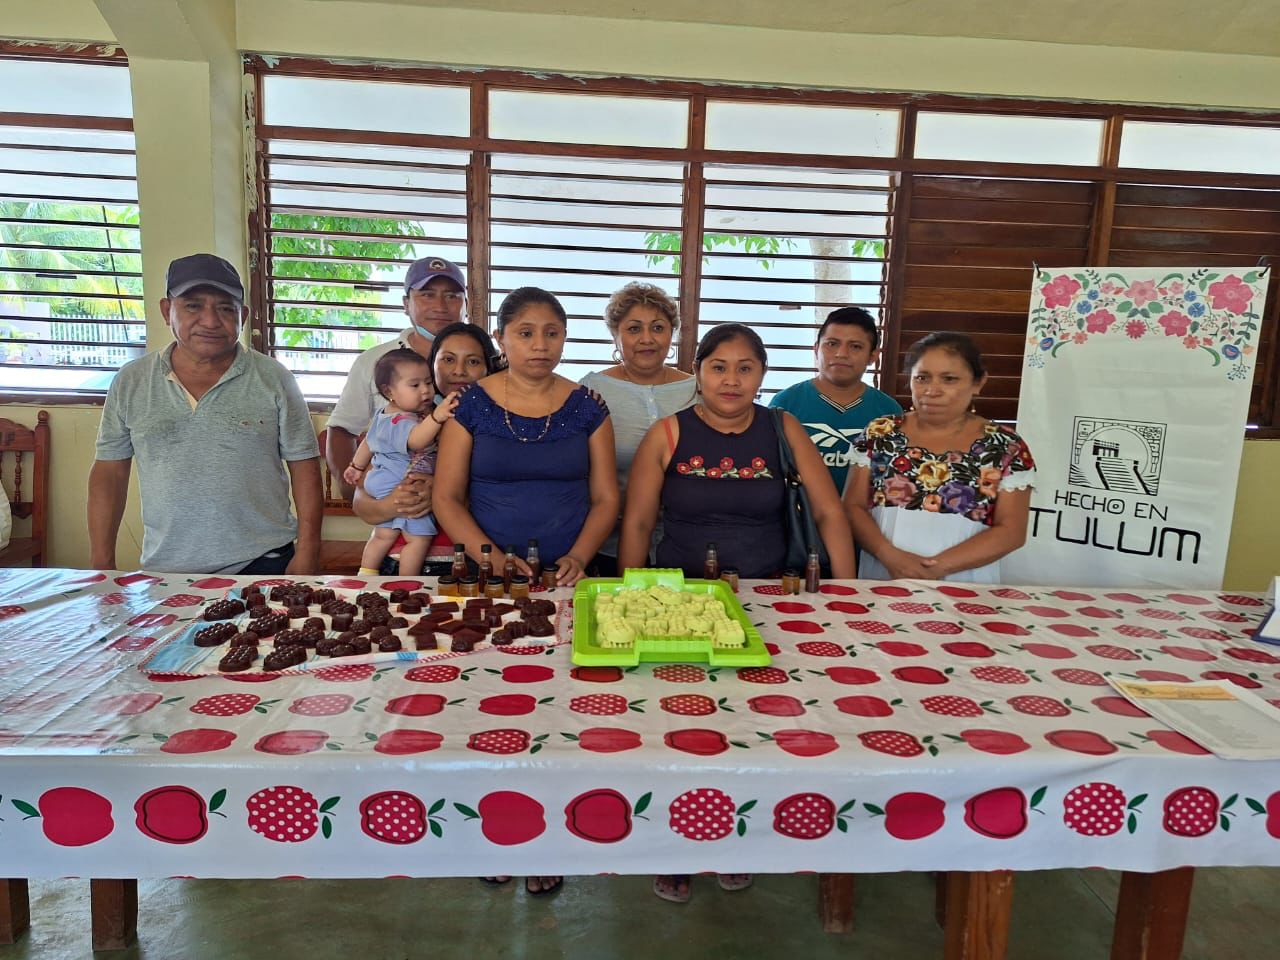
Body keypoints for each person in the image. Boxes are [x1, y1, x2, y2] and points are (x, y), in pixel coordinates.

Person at [618, 322, 854, 906]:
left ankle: (735, 839)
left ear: (762, 376)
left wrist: (848, 595)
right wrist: (628, 600)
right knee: (677, 729)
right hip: (679, 604)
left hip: (771, 603)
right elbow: (639, 522)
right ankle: (674, 847)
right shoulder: (668, 433)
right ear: (697, 371)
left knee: (756, 733)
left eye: (745, 368)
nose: (731, 379)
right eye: (718, 366)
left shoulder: (784, 428)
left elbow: (828, 513)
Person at [433, 288, 619, 898]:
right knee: (486, 712)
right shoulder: (472, 407)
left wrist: (579, 557)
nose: (540, 346)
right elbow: (446, 498)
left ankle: (551, 839)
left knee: (562, 714)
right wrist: (492, 558)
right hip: (488, 585)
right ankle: (496, 832)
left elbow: (606, 498)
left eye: (552, 333)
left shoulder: (589, 406)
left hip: (569, 582)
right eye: (525, 333)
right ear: (503, 340)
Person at [88, 254, 322, 574]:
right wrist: (101, 564)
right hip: (165, 567)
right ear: (166, 310)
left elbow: (304, 466)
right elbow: (110, 474)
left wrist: (308, 549)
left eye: (226, 308)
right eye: (193, 306)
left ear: (243, 316)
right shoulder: (132, 381)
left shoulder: (274, 378)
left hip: (264, 560)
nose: (211, 321)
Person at [843, 331, 1035, 583]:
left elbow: (1011, 530)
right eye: (922, 378)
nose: (932, 390)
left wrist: (935, 568)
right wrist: (888, 554)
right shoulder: (880, 432)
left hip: (965, 584)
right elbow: (852, 506)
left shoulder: (1006, 446)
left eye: (949, 379)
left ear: (978, 382)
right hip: (884, 574)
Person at [326, 255, 466, 501]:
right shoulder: (375, 362)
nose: (441, 306)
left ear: (466, 303)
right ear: (405, 303)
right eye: (427, 294)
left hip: (469, 506)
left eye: (452, 296)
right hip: (396, 511)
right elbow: (342, 430)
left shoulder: (482, 361)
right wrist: (356, 494)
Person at [579, 282, 695, 575]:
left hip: (685, 544)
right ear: (615, 335)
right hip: (608, 545)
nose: (647, 339)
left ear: (672, 333)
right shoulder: (592, 390)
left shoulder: (697, 389)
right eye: (634, 329)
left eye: (657, 328)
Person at [342, 349, 459, 576]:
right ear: (389, 391)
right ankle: (408, 581)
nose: (425, 390)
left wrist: (356, 466)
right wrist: (438, 417)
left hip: (380, 480)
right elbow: (417, 440)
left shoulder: (382, 415)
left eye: (428, 382)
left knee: (383, 534)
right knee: (418, 539)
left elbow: (368, 441)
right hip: (400, 483)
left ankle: (367, 573)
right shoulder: (402, 421)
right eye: (414, 385)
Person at [769, 306, 901, 496]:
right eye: (832, 344)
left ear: (873, 356)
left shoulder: (888, 411)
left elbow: (890, 482)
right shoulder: (785, 403)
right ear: (816, 349)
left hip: (862, 521)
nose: (841, 353)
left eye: (855, 346)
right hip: (796, 521)